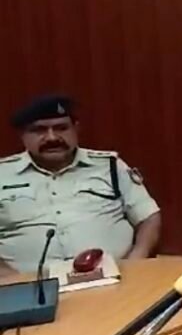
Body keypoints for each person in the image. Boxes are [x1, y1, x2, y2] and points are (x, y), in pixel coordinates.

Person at [0, 95, 161, 276]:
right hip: (29, 285)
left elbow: (148, 217)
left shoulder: (109, 166)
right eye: (39, 130)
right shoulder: (3, 175)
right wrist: (12, 280)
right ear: (23, 135)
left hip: (115, 278)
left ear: (75, 129)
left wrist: (136, 264)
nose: (52, 137)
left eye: (61, 128)